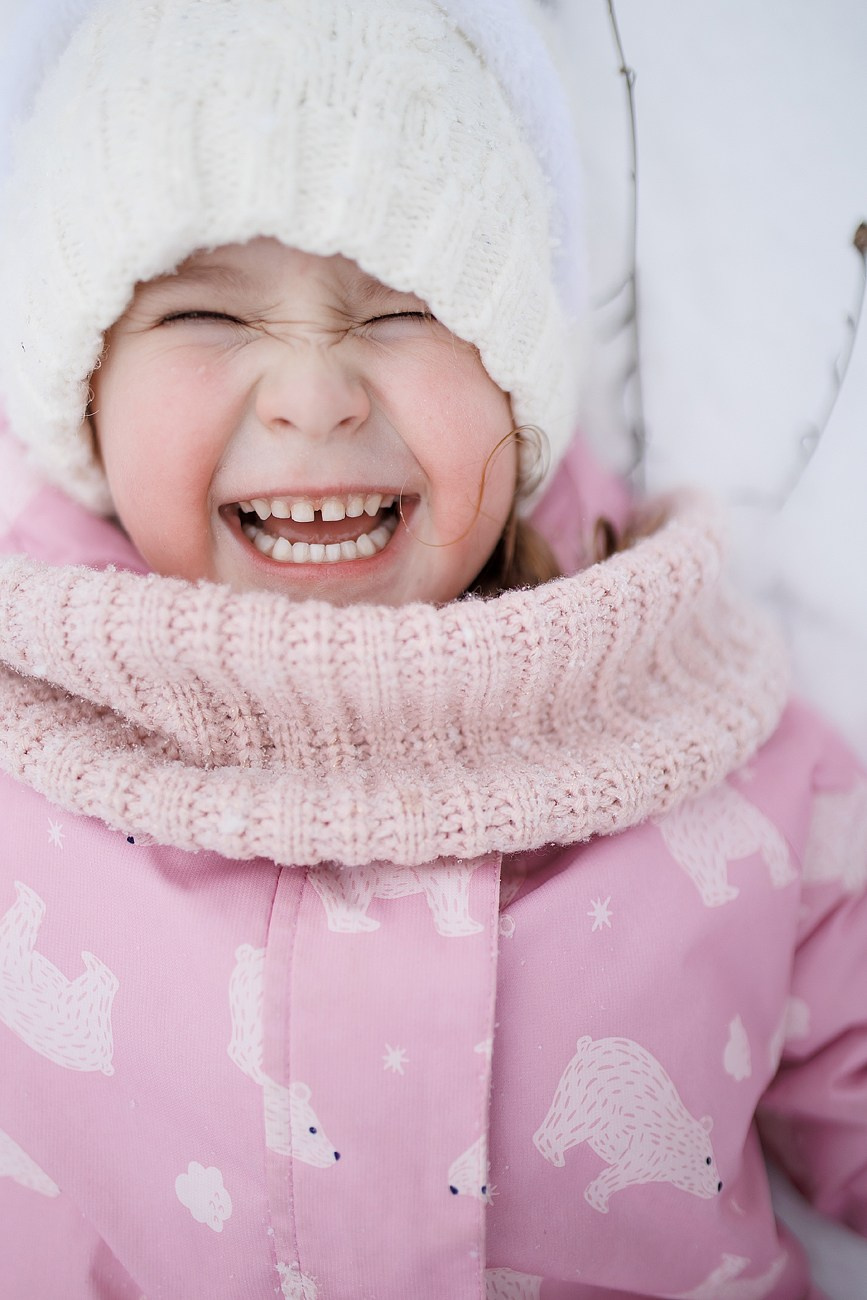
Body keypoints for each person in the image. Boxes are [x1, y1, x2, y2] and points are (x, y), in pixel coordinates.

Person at [0, 2, 864, 1297]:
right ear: (81, 391)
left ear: (521, 382)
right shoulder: (25, 751)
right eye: (203, 318)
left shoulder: (717, 746)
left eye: (404, 307)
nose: (314, 391)